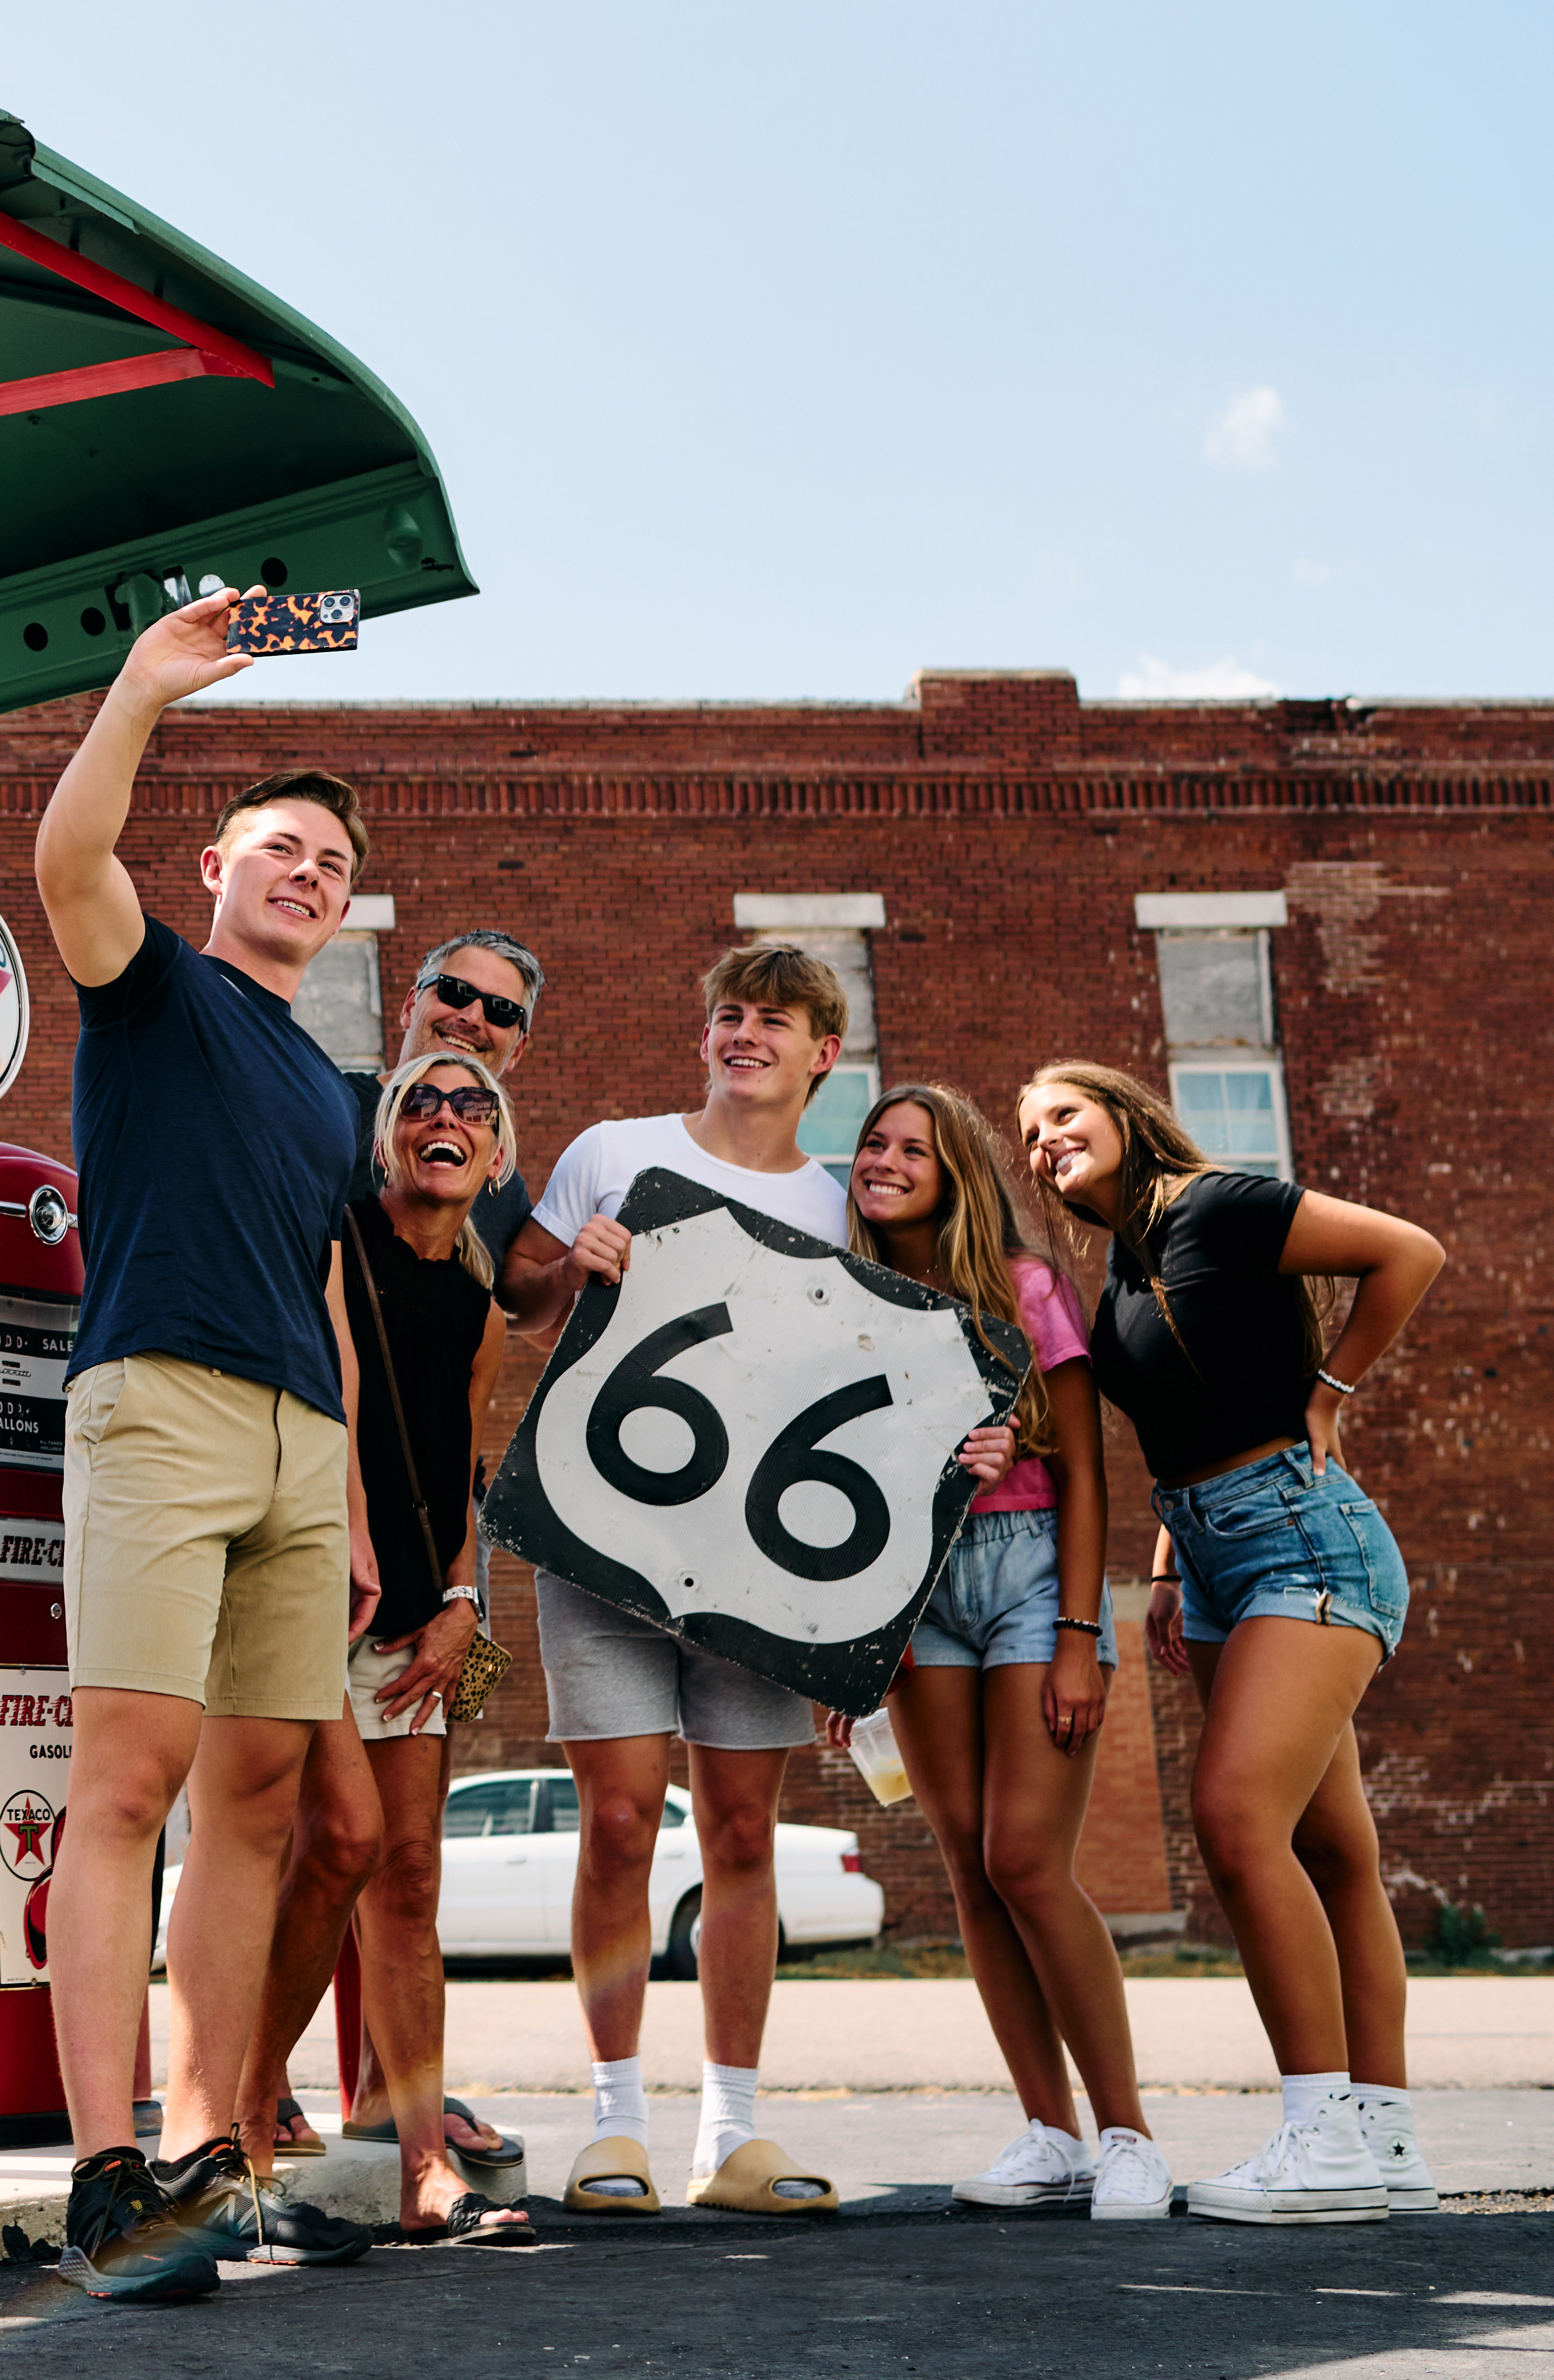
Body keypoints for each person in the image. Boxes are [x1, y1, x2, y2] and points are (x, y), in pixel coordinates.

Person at [28, 589, 383, 2299]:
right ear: (222, 865)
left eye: (329, 863)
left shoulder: (331, 1086)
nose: (305, 873)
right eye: (279, 847)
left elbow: (322, 1279)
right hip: (155, 1401)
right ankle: (101, 2177)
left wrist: (355, 1494)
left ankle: (201, 2155)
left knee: (255, 1802)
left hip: (298, 1451)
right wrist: (145, 686)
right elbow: (65, 856)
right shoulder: (152, 981)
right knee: (127, 1783)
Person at [1020, 1063, 1449, 2228]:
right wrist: (1168, 1563)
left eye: (1064, 1112)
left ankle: (1317, 2130)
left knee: (1234, 1816)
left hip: (1305, 1537)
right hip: (1209, 1556)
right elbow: (1175, 1413)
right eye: (1031, 1131)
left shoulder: (1218, 1202)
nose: (1045, 1136)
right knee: (1332, 1842)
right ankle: (1385, 2133)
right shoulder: (1120, 1263)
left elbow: (1409, 1248)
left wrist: (1331, 1391)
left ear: (1123, 1113)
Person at [493, 943, 864, 2216]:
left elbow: (874, 1399)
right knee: (617, 1816)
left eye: (774, 1021)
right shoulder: (615, 1150)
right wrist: (568, 1267)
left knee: (742, 1832)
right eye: (728, 1016)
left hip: (762, 1559)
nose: (743, 1035)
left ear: (825, 1053)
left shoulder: (843, 1208)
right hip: (604, 1532)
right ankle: (613, 2127)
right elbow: (516, 1300)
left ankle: (734, 2135)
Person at [827, 1083, 1171, 2222]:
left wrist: (1083, 1634)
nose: (882, 1158)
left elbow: (1085, 1466)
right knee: (971, 1869)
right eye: (872, 1141)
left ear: (956, 1167)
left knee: (1026, 1857)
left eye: (910, 1146)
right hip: (915, 1593)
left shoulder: (1025, 1287)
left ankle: (1130, 2133)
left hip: (1029, 1573)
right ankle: (1051, 2132)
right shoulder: (848, 1303)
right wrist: (844, 1645)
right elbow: (833, 1492)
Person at [239, 1047, 539, 2243]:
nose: (448, 1117)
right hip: (312, 1599)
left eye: (475, 1106)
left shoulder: (476, 1310)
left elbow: (464, 1476)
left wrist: (467, 1600)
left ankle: (425, 2169)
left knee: (409, 1878)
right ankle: (244, 2131)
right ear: (387, 1139)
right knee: (328, 1853)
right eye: (424, 1099)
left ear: (498, 1155)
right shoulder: (332, 1243)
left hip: (418, 1622)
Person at [344, 931, 548, 1274]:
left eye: (501, 1011)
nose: (471, 1016)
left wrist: (570, 1269)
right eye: (454, 991)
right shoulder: (327, 1104)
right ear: (410, 1007)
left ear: (518, 1050)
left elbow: (515, 1308)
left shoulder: (504, 1189)